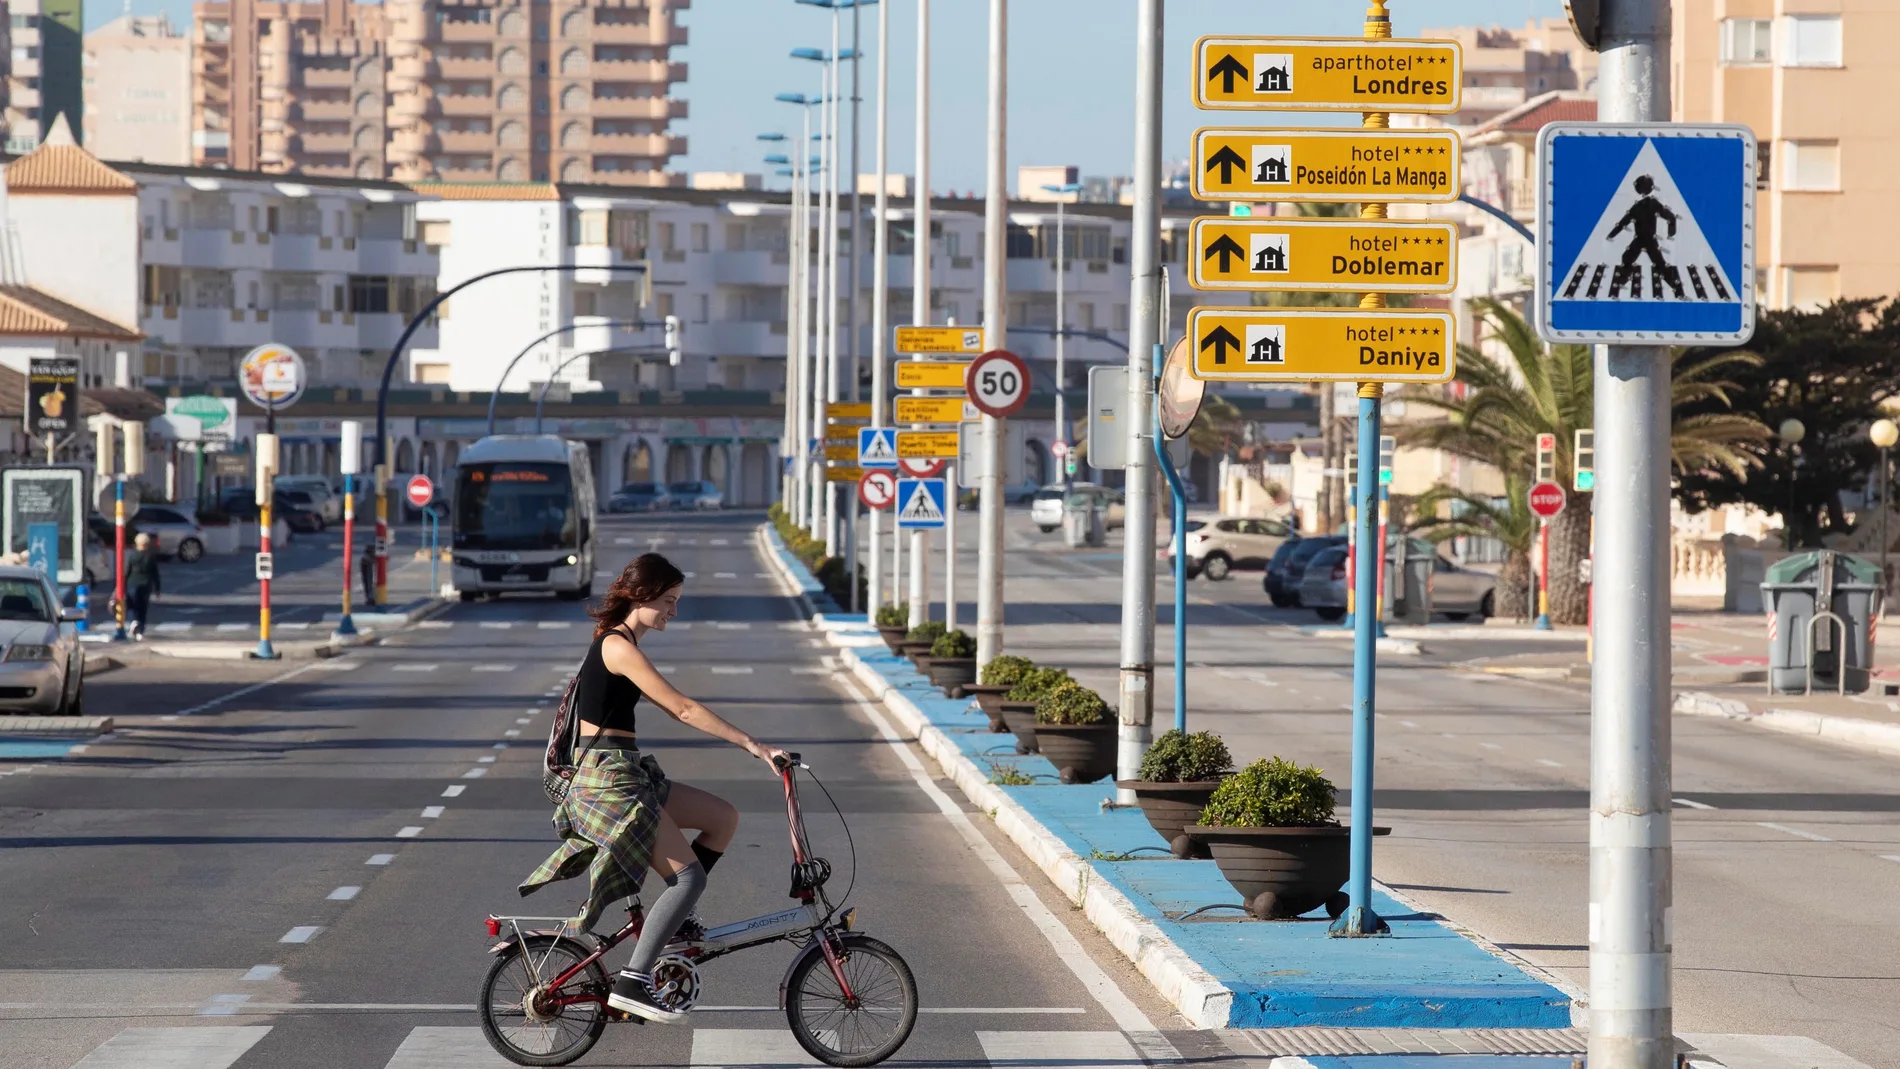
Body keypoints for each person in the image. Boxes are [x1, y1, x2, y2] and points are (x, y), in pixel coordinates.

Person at [517, 552, 788, 1025]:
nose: (673, 612)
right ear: (640, 596)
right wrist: (753, 744)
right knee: (688, 878)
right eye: (668, 600)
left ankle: (675, 922)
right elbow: (681, 709)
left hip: (627, 770)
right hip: (609, 781)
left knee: (723, 817)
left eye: (676, 601)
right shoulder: (618, 647)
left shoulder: (619, 641)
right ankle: (632, 981)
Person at [123, 532, 161, 640]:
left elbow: (128, 571)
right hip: (146, 585)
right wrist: (158, 588)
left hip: (132, 584)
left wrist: (122, 586)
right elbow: (155, 574)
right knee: (143, 609)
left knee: (133, 606)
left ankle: (133, 623)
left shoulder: (133, 556)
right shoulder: (151, 557)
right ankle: (140, 631)